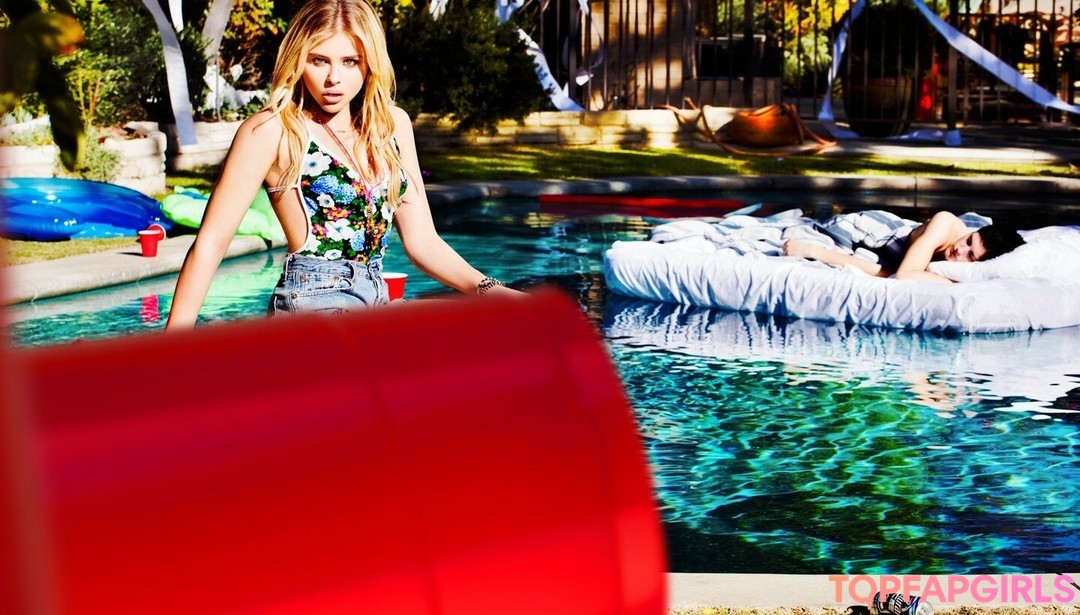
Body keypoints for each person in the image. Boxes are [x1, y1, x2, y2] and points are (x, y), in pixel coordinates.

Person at [166, 0, 519, 331]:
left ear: (369, 63)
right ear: (298, 60)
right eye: (319, 60)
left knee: (484, 326)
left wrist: (491, 290)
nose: (333, 78)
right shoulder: (273, 130)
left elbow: (423, 241)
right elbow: (210, 245)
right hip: (312, 309)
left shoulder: (391, 126)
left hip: (376, 301)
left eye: (350, 61)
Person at [782, 211, 1025, 283]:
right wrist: (815, 252)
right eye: (969, 241)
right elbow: (905, 275)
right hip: (865, 230)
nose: (960, 250)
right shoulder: (946, 223)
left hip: (886, 257)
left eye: (971, 256)